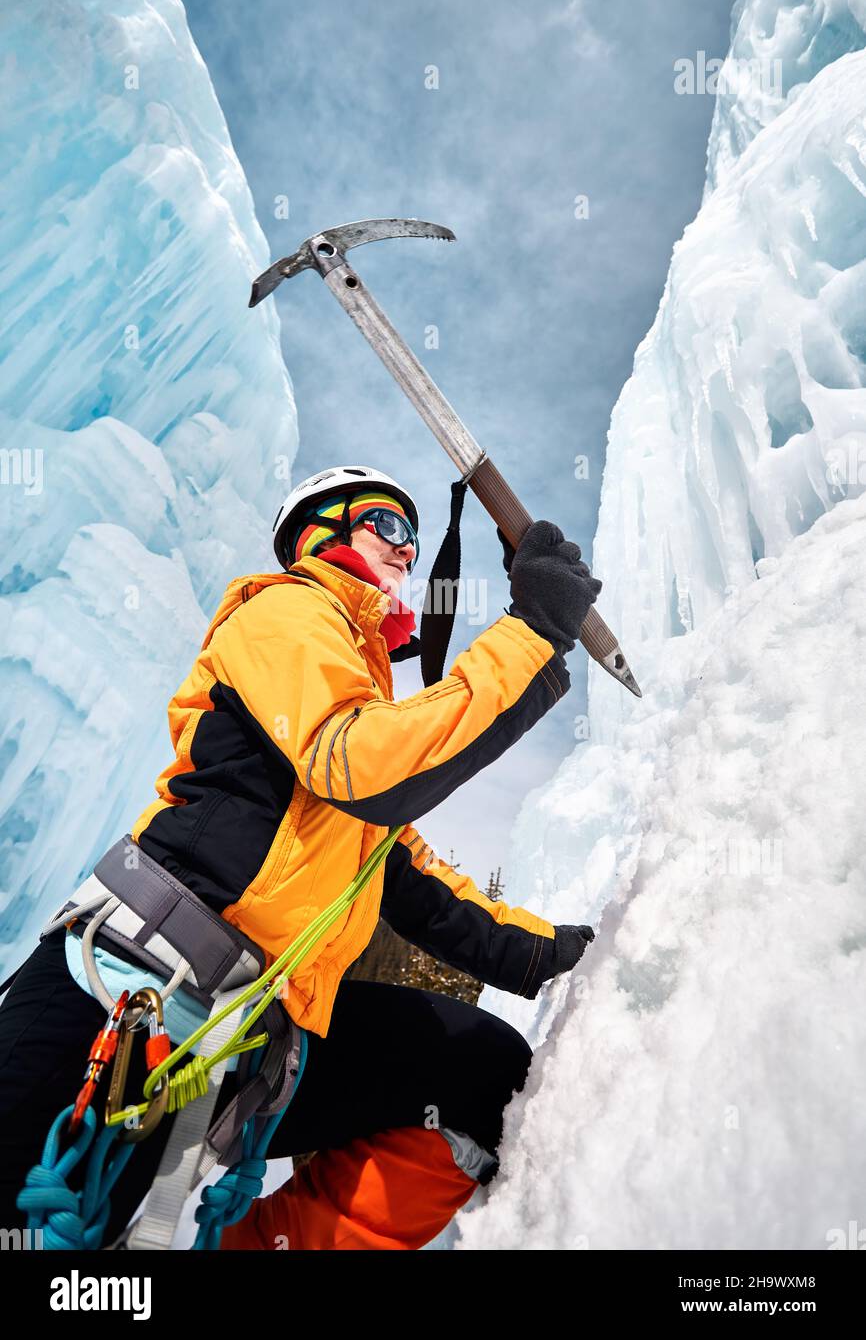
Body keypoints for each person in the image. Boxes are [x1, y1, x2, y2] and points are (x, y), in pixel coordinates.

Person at [0, 464, 601, 1250]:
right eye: (386, 524)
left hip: (249, 1042)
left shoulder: (353, 704)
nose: (406, 548)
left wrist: (563, 955)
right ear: (321, 532)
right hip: (122, 988)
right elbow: (356, 763)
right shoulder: (284, 611)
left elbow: (417, 884)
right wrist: (529, 634)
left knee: (481, 1075)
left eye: (414, 540)